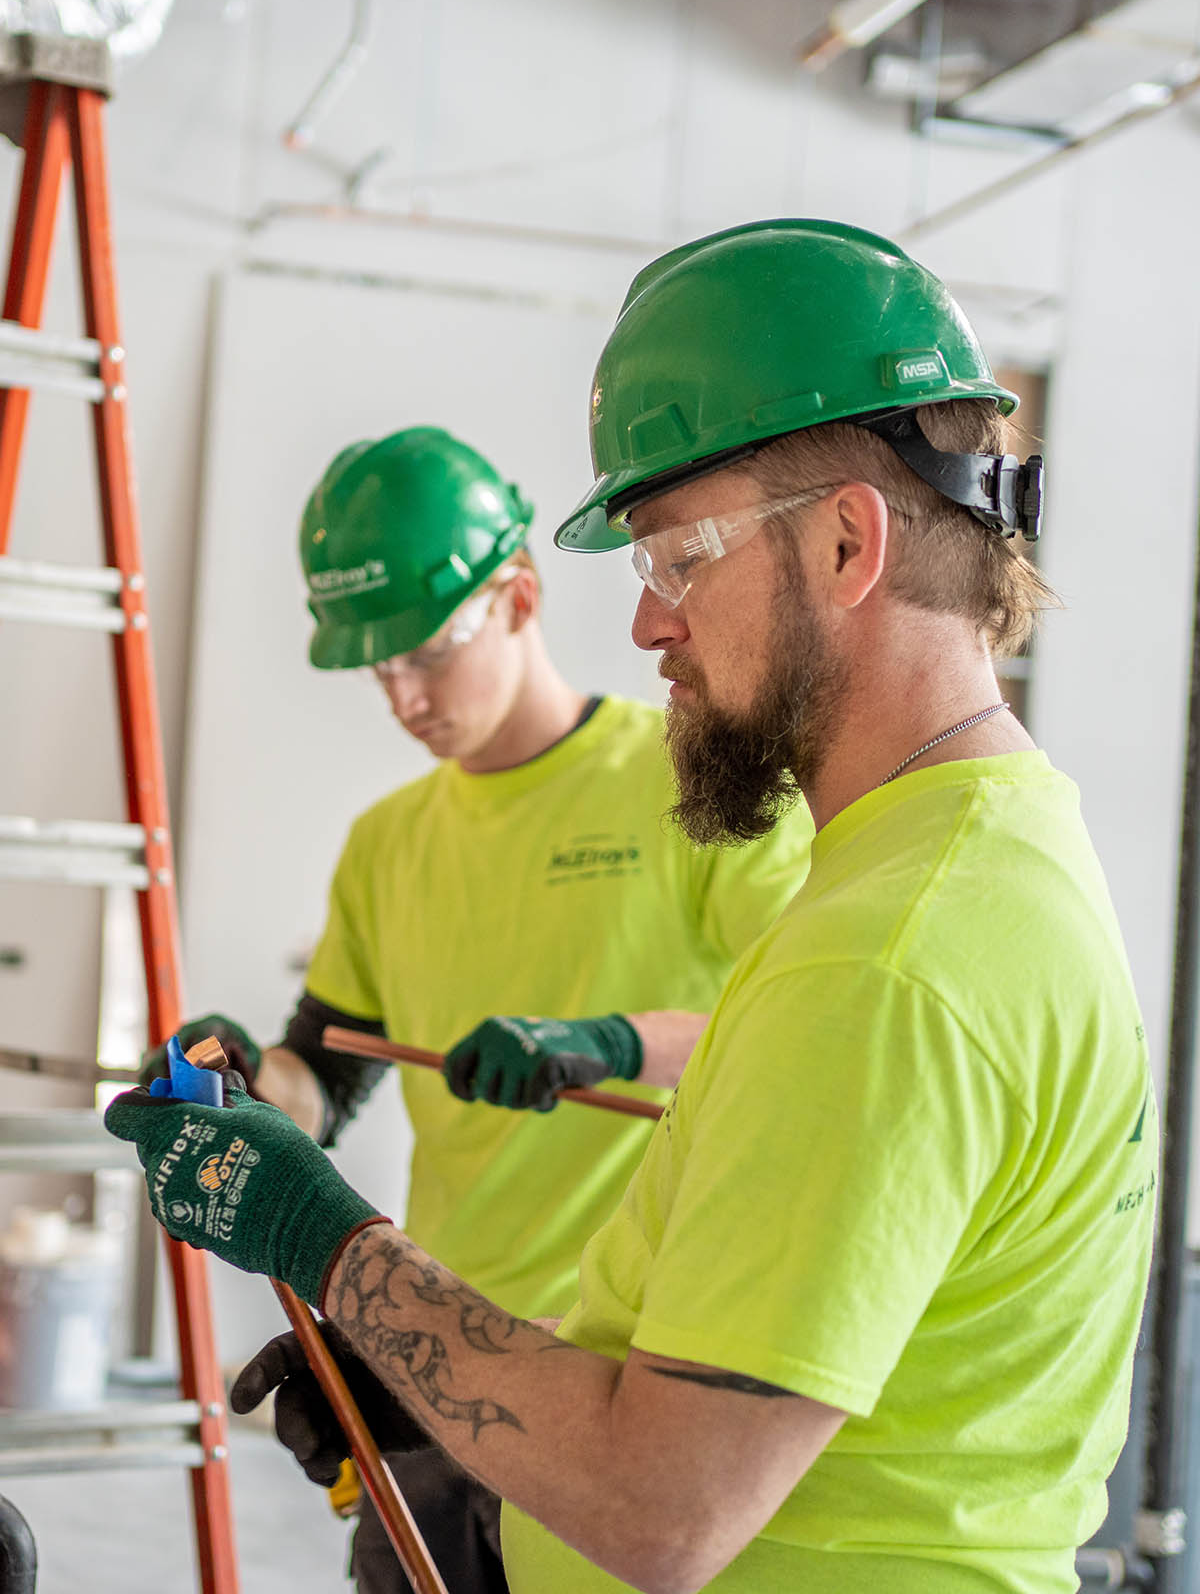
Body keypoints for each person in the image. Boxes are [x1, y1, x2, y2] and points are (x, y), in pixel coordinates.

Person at [112, 220, 1158, 1594]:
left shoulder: (888, 962)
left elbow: (665, 1508)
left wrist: (332, 1245)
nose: (650, 624)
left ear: (850, 541)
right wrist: (429, 1374)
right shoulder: (958, 868)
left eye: (678, 557)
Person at [142, 424, 813, 1591]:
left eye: (426, 651)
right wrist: (250, 1083)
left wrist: (604, 1043)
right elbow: (328, 1072)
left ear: (521, 593)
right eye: (375, 664)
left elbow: (803, 1041)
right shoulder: (387, 844)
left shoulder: (694, 782)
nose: (402, 693)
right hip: (435, 1365)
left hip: (631, 1383)